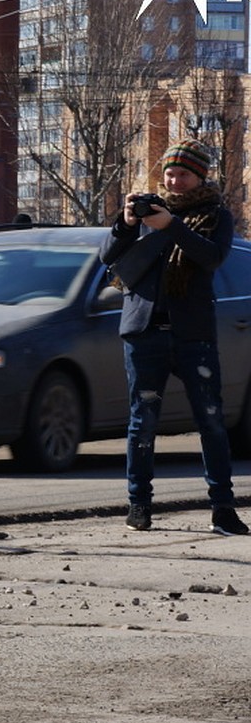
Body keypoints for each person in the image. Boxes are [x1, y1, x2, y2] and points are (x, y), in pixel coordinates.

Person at [98, 139, 247, 535]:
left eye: (183, 174)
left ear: (199, 176)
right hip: (143, 332)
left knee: (211, 421)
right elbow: (106, 255)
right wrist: (128, 222)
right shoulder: (146, 212)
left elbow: (212, 257)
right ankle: (139, 505)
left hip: (192, 334)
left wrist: (173, 226)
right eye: (169, 172)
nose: (174, 180)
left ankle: (223, 509)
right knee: (142, 422)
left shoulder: (216, 215)